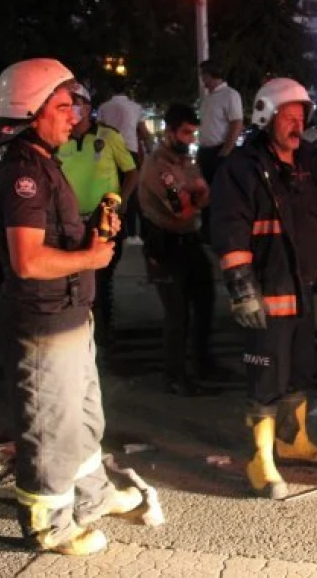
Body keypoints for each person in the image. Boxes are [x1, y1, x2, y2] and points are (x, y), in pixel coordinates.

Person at [0, 58, 143, 555]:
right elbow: (28, 259)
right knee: (50, 429)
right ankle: (47, 525)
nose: (73, 117)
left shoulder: (46, 163)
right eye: (62, 107)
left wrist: (91, 225)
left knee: (82, 417)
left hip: (71, 316)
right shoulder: (23, 174)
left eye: (75, 106)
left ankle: (91, 496)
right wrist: (91, 256)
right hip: (43, 324)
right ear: (30, 111)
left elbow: (54, 231)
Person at [210, 78, 317, 499]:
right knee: (266, 378)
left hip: (304, 289)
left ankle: (293, 441)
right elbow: (229, 230)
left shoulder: (312, 161)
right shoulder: (242, 167)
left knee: (300, 371)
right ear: (266, 116)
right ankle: (260, 461)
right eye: (288, 117)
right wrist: (242, 288)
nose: (296, 125)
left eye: (301, 117)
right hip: (267, 293)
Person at [139, 103, 220, 396]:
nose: (191, 139)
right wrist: (197, 195)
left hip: (189, 242)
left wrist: (197, 195)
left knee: (206, 302)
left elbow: (203, 194)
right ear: (170, 131)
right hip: (166, 245)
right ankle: (175, 376)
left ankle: (203, 363)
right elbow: (181, 209)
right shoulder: (159, 166)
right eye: (186, 132)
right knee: (177, 315)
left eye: (194, 133)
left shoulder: (185, 161)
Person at [57, 84, 139, 353]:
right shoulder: (60, 141)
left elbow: (131, 172)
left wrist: (121, 203)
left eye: (78, 103)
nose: (73, 109)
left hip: (104, 222)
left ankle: (104, 334)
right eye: (69, 103)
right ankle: (79, 331)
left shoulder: (108, 137)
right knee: (73, 280)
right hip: (70, 222)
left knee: (101, 280)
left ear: (90, 108)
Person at [98, 79, 153, 245]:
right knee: (133, 192)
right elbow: (144, 132)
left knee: (111, 190)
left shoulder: (104, 107)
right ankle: (135, 233)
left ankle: (111, 231)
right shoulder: (135, 107)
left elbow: (99, 131)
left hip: (109, 152)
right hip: (130, 150)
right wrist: (151, 151)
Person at [196, 60, 244, 237]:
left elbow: (236, 123)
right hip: (205, 151)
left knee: (221, 193)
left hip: (219, 151)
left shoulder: (230, 95)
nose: (202, 80)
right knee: (204, 192)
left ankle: (222, 231)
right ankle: (207, 230)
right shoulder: (208, 98)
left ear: (210, 74)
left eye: (203, 75)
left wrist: (225, 151)